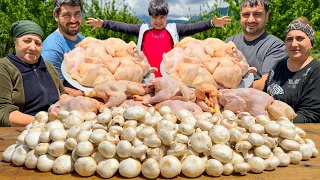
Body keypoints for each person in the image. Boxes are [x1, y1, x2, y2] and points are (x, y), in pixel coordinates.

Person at [86, 0, 231, 77]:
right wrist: (103, 24)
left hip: (169, 74)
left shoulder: (173, 29)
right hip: (147, 75)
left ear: (167, 16)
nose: (158, 21)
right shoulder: (143, 29)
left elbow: (194, 27)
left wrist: (212, 23)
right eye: (155, 17)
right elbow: (122, 26)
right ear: (150, 17)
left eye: (162, 17)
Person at [0, 20, 69, 127]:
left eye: (38, 43)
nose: (33, 47)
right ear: (15, 43)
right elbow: (3, 111)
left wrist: (74, 105)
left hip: (55, 126)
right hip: (22, 130)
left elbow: (62, 93)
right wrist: (42, 122)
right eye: (27, 41)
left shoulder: (48, 66)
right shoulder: (4, 67)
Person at [264, 17, 320, 123]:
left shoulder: (316, 72)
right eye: (289, 39)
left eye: (300, 38)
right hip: (271, 129)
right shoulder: (278, 66)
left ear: (311, 43)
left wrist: (274, 123)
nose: (294, 44)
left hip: (301, 134)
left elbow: (310, 116)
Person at [225, 0, 287, 90]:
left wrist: (233, 87)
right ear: (240, 16)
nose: (251, 20)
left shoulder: (276, 46)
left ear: (267, 16)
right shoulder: (229, 42)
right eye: (246, 15)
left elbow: (267, 82)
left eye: (257, 14)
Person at [42, 0, 84, 96]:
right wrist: (84, 94)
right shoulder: (52, 49)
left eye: (77, 14)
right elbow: (50, 88)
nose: (73, 20)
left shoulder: (82, 40)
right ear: (56, 16)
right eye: (66, 15)